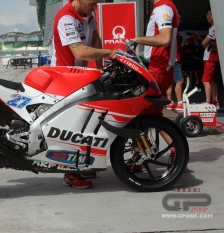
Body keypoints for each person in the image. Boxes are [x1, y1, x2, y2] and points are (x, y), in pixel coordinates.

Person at [51, 0, 116, 189]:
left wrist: (102, 68)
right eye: (92, 3)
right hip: (64, 77)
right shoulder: (65, 18)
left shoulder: (88, 14)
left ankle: (82, 162)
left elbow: (95, 37)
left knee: (88, 122)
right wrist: (111, 53)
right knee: (73, 126)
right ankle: (70, 173)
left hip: (81, 76)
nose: (95, 7)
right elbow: (79, 51)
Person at [129, 0, 178, 116]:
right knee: (155, 116)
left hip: (159, 67)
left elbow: (165, 39)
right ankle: (173, 134)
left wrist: (137, 40)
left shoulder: (163, 8)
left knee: (144, 115)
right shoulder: (164, 7)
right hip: (161, 67)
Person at [200, 9, 220, 109]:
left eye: (211, 14)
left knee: (205, 79)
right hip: (211, 57)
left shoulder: (214, 28)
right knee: (212, 80)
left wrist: (204, 42)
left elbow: (204, 43)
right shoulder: (212, 27)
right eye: (207, 14)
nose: (208, 16)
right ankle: (215, 101)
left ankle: (208, 102)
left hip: (211, 57)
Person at [166, 12, 184, 111]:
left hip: (170, 58)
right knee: (179, 80)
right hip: (175, 58)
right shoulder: (174, 30)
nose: (179, 21)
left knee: (170, 81)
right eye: (178, 19)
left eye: (180, 19)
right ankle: (180, 102)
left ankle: (170, 102)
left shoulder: (169, 29)